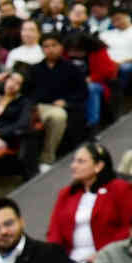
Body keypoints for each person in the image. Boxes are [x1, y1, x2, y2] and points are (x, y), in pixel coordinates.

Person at [46, 143, 132, 263]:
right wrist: (55, 257)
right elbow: (54, 231)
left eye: (81, 161)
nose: (73, 166)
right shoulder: (66, 194)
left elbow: (130, 226)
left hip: (108, 260)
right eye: (74, 161)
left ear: (98, 166)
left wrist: (105, 253)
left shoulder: (119, 188)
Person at [29, 32, 87, 167]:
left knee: (58, 116)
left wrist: (66, 102)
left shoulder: (72, 68)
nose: (50, 49)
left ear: (61, 47)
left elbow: (82, 92)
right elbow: (28, 92)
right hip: (38, 107)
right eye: (46, 46)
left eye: (54, 45)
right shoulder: (35, 69)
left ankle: (47, 158)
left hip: (60, 107)